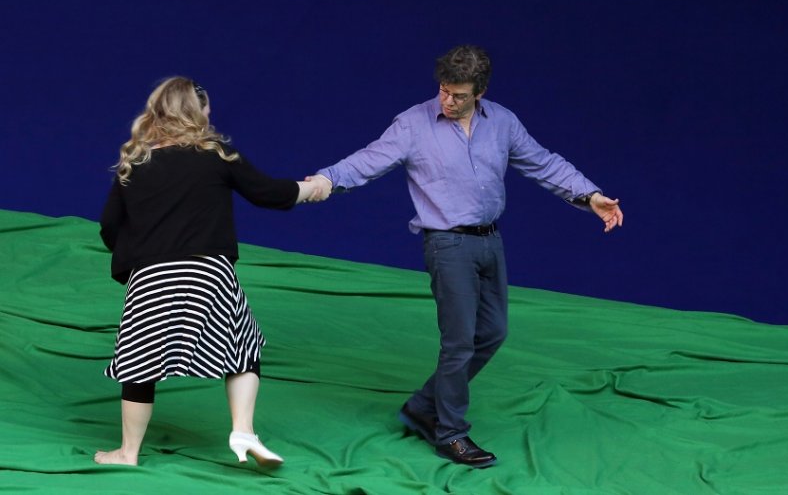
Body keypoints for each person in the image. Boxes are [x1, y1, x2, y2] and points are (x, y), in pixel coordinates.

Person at [308, 45, 623, 468]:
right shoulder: (413, 124)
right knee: (458, 343)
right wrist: (328, 180)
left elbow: (544, 163)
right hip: (447, 244)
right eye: (443, 91)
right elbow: (369, 160)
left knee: (492, 333)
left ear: (480, 91)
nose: (448, 100)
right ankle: (450, 433)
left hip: (490, 242)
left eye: (458, 95)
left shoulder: (503, 122)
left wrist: (591, 195)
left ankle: (423, 405)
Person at [95, 76, 326, 467]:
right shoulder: (216, 155)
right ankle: (243, 430)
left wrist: (137, 256)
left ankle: (128, 452)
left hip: (152, 276)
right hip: (209, 273)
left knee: (139, 364)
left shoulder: (134, 164)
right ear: (194, 112)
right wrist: (314, 188)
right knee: (244, 350)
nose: (210, 113)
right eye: (205, 107)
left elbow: (109, 227)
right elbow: (268, 193)